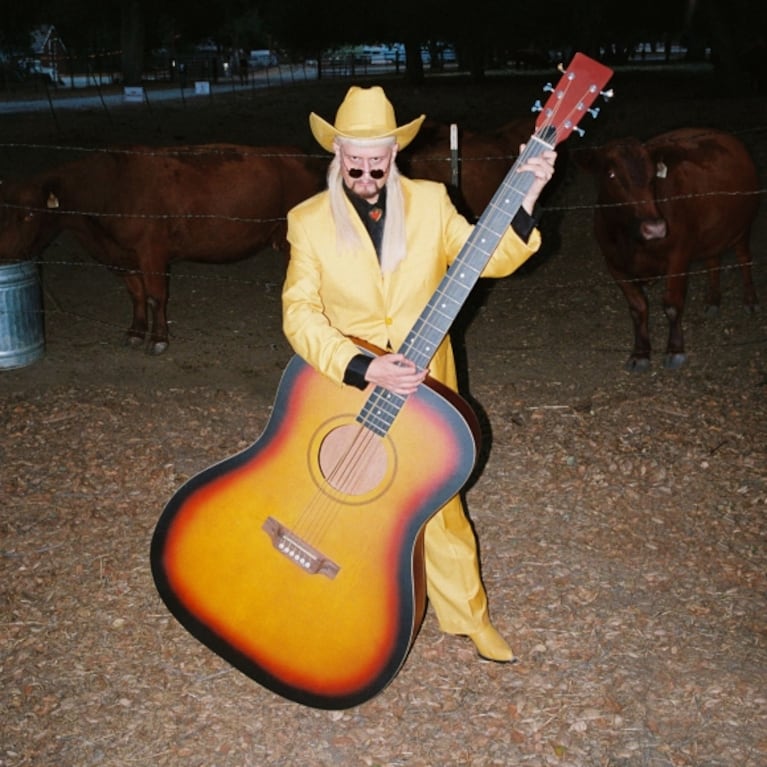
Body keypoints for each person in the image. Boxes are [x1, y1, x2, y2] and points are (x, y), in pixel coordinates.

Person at [282, 86, 557, 663]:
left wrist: (527, 193)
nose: (364, 171)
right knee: (347, 497)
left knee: (439, 503)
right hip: (345, 389)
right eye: (352, 158)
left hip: (428, 384)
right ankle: (344, 604)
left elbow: (491, 258)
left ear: (394, 153)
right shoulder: (307, 221)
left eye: (375, 159)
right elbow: (299, 314)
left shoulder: (432, 202)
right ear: (335, 152)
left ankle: (468, 619)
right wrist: (361, 365)